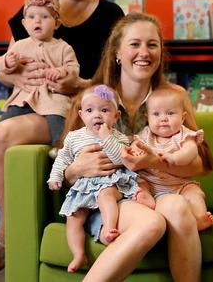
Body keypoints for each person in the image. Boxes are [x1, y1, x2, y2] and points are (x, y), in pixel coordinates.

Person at [0, 0, 124, 282]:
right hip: (25, 106)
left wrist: (77, 84)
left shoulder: (111, 15)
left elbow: (111, 81)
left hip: (69, 113)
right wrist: (17, 77)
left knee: (2, 133)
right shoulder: (36, 6)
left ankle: (9, 235)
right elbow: (7, 71)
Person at [64, 12, 212, 281]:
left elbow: (202, 166)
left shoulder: (173, 97)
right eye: (135, 44)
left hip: (160, 190)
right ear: (117, 52)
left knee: (178, 207)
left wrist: (155, 162)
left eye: (152, 45)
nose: (144, 52)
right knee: (151, 223)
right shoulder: (94, 98)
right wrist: (75, 170)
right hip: (111, 198)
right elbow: (67, 163)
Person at [47, 84, 152, 273]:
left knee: (106, 196)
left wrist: (106, 137)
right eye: (90, 110)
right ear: (81, 115)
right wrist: (55, 177)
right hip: (84, 187)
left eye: (104, 110)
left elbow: (119, 159)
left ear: (116, 116)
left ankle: (109, 228)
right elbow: (63, 158)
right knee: (74, 218)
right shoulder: (74, 137)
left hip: (110, 181)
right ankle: (78, 253)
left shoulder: (118, 137)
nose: (97, 115)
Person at [0, 0, 78, 149]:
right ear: (25, 24)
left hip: (51, 97)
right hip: (24, 96)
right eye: (31, 17)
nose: (37, 21)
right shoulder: (20, 45)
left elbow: (73, 68)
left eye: (45, 17)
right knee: (3, 123)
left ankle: (61, 149)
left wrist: (61, 71)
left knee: (58, 118)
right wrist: (8, 62)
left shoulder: (63, 47)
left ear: (56, 23)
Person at [131, 86, 213, 231]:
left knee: (194, 193)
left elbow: (192, 151)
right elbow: (135, 146)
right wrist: (135, 151)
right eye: (156, 114)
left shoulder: (184, 135)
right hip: (151, 183)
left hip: (179, 185)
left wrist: (175, 157)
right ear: (147, 118)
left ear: (183, 117)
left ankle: (200, 218)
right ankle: (147, 200)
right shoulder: (146, 135)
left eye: (170, 113)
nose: (163, 118)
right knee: (139, 183)